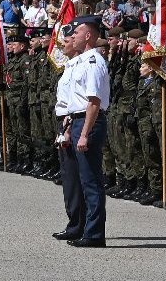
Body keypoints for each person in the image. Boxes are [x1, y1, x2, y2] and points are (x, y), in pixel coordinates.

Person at [52, 13, 111, 248]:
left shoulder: (95, 62)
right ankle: (84, 228)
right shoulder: (81, 62)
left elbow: (93, 102)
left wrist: (84, 133)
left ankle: (95, 234)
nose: (72, 36)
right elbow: (73, 104)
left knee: (90, 181)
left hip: (89, 123)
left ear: (88, 36)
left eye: (76, 32)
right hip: (76, 122)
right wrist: (69, 129)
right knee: (80, 179)